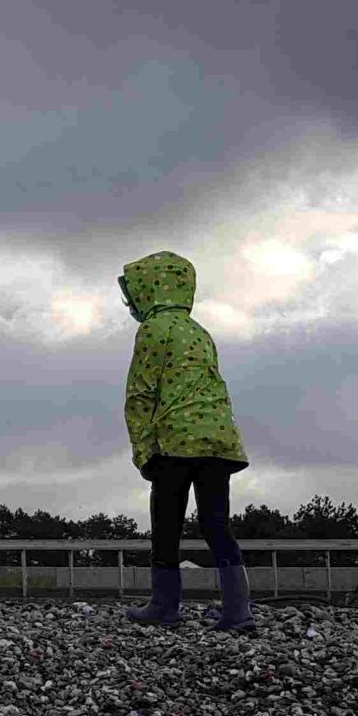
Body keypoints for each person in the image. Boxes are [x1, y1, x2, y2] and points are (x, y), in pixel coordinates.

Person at [118, 251, 253, 633]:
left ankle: (165, 605)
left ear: (147, 290)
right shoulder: (200, 331)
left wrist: (142, 449)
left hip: (174, 440)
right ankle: (238, 610)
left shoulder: (152, 329)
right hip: (218, 440)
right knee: (216, 523)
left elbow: (142, 392)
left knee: (167, 524)